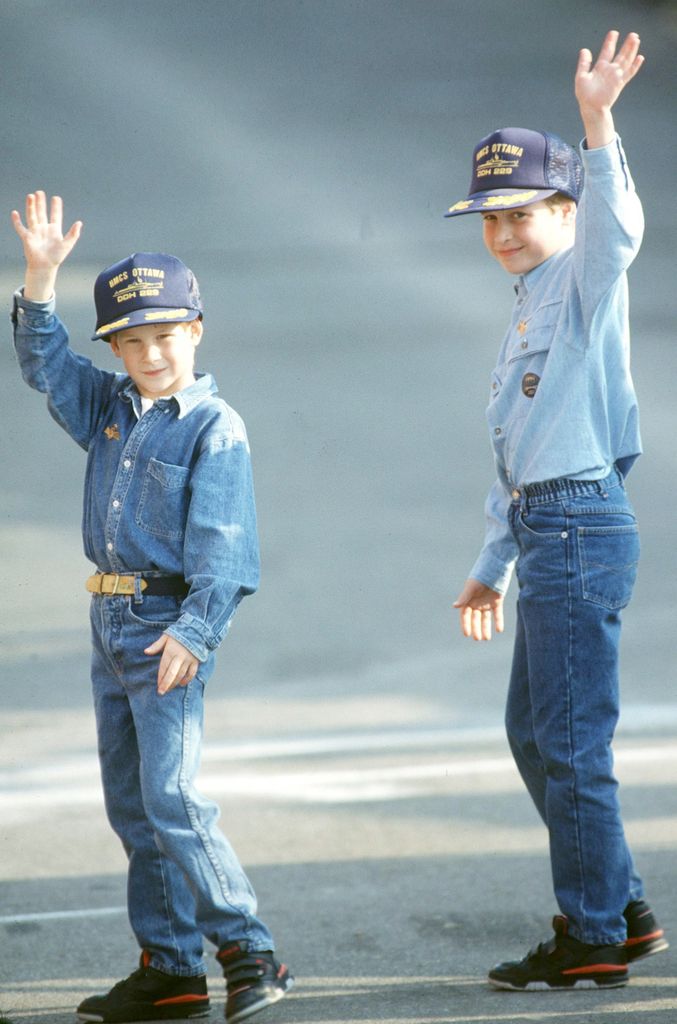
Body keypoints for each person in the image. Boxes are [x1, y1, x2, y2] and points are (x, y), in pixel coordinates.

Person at [10, 193, 294, 1023]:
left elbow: (227, 545)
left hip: (168, 627)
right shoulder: (107, 409)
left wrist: (196, 631)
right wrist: (39, 276)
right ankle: (169, 967)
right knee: (132, 805)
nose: (149, 353)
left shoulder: (213, 427)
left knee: (173, 797)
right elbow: (44, 363)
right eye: (130, 341)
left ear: (196, 330)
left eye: (164, 336)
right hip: (109, 624)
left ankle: (250, 951)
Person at [447, 31, 668, 990]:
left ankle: (592, 934)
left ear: (564, 210)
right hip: (547, 527)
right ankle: (618, 904)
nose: (502, 234)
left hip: (579, 524)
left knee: (570, 743)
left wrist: (596, 121)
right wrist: (489, 560)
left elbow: (618, 228)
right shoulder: (526, 300)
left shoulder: (581, 280)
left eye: (523, 213)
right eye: (488, 219)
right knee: (534, 734)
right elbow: (514, 457)